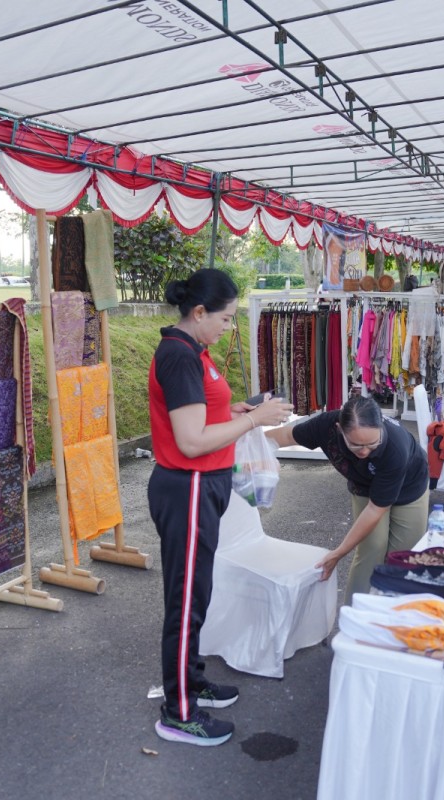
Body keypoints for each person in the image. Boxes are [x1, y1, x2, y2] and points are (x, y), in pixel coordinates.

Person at [148, 268, 293, 746]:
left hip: (200, 486)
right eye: (227, 319)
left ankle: (192, 680)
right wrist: (255, 425)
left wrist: (239, 412)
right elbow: (190, 441)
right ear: (199, 312)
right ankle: (179, 711)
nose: (229, 327)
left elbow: (201, 414)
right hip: (187, 484)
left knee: (198, 592)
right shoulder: (178, 356)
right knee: (186, 600)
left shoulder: (194, 352)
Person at [265, 396, 429, 605]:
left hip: (409, 485)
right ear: (339, 429)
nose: (364, 451)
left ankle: (393, 614)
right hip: (363, 485)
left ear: (380, 428)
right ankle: (352, 616)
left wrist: (338, 553)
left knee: (404, 555)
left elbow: (375, 510)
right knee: (371, 548)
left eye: (372, 444)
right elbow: (286, 436)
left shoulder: (395, 447)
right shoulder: (325, 426)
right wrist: (240, 447)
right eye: (355, 445)